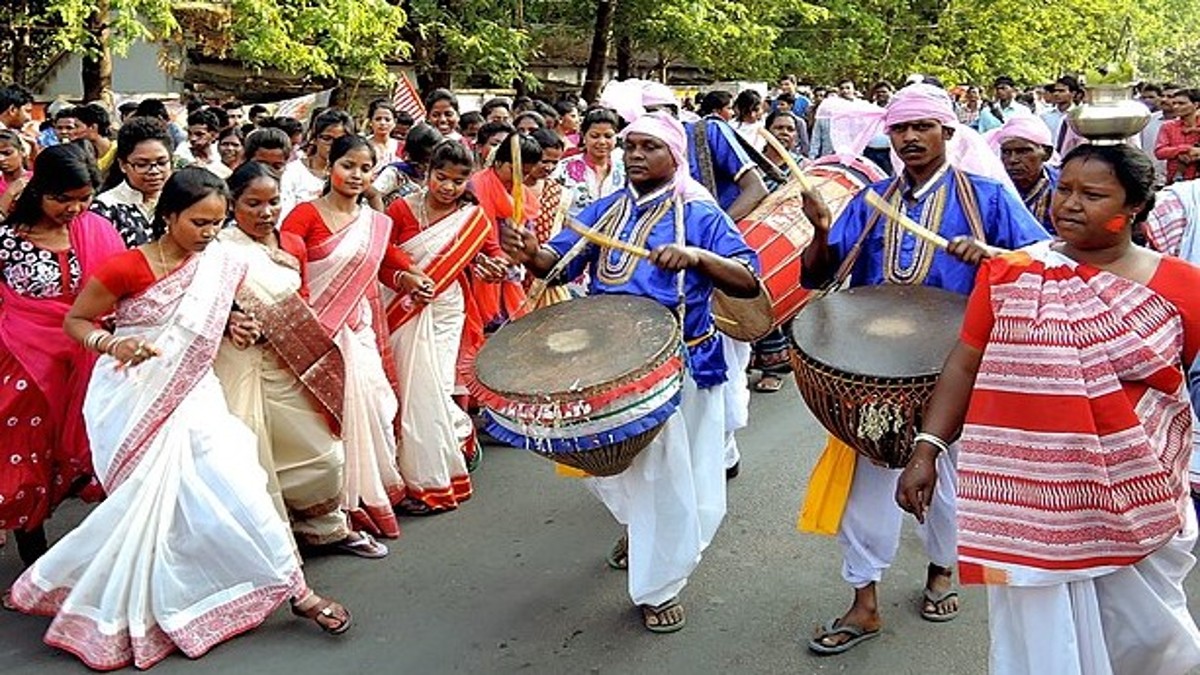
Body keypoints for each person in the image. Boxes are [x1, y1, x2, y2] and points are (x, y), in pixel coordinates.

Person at [9, 167, 350, 670]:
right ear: (168, 216)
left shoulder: (222, 262)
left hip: (196, 395)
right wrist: (114, 342)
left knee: (241, 484)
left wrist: (236, 323)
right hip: (134, 398)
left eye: (217, 223)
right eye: (199, 223)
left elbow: (220, 313)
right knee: (149, 502)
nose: (210, 234)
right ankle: (130, 585)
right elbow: (77, 321)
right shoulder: (127, 268)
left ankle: (296, 590)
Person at [897, 143, 1200, 675]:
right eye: (1065, 189)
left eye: (1093, 194)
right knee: (1043, 648)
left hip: (1138, 494)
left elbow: (1174, 384)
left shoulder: (1184, 286)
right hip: (1028, 504)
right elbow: (965, 365)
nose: (1070, 204)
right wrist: (928, 448)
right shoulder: (1013, 272)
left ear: (1133, 208)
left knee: (1151, 643)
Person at [800, 83, 1050, 655]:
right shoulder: (871, 201)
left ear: (948, 134)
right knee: (865, 489)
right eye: (900, 130)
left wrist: (993, 257)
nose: (910, 138)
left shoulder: (986, 197)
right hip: (874, 373)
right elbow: (820, 277)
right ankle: (864, 601)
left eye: (922, 128)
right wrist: (818, 230)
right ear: (888, 138)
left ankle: (941, 565)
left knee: (950, 484)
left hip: (957, 370)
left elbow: (1044, 265)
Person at [501, 111, 764, 633]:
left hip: (682, 364)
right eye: (630, 146)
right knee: (619, 476)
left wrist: (695, 257)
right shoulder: (611, 209)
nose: (635, 154)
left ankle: (660, 585)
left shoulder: (700, 212)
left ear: (675, 156)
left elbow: (747, 279)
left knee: (667, 477)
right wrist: (532, 253)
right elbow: (559, 261)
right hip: (611, 370)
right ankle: (642, 530)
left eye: (649, 147)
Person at [214, 162, 389, 558]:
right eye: (253, 203)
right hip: (240, 364)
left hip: (291, 362)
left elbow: (304, 299)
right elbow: (203, 303)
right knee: (250, 453)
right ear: (231, 204)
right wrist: (229, 321)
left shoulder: (290, 243)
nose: (265, 212)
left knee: (323, 453)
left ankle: (324, 527)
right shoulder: (221, 248)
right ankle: (266, 544)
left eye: (273, 202)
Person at [0, 144, 125, 590]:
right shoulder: (8, 239)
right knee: (25, 462)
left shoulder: (100, 231)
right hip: (23, 362)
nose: (74, 208)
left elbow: (123, 292)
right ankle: (35, 564)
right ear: (38, 190)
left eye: (84, 198)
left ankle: (109, 558)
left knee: (88, 460)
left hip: (91, 359)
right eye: (63, 199)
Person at [280, 135, 407, 536]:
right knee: (324, 416)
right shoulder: (304, 215)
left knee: (371, 404)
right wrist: (308, 317)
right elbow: (288, 264)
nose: (356, 175)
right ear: (329, 166)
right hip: (316, 329)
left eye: (365, 168)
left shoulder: (374, 223)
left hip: (358, 329)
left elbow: (388, 264)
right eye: (347, 166)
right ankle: (331, 503)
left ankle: (367, 497)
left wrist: (410, 277)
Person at [383, 141, 506, 513]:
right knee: (404, 388)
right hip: (403, 302)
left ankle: (430, 479)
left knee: (430, 384)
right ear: (427, 172)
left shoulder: (472, 218)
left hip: (446, 306)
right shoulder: (401, 208)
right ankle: (450, 439)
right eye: (441, 177)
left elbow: (493, 254)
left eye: (457, 180)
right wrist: (406, 274)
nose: (448, 187)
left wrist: (493, 266)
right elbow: (382, 254)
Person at [91, 117, 175, 248]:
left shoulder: (181, 201)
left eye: (162, 163)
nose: (154, 171)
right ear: (123, 165)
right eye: (142, 164)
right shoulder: (105, 209)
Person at [989, 114, 1058, 232]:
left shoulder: (1062, 185)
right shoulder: (993, 188)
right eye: (1006, 152)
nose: (1012, 160)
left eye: (1023, 151)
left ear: (1047, 153)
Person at [552, 107, 625, 219]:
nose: (602, 142)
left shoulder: (625, 169)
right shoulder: (563, 169)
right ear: (583, 136)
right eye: (595, 136)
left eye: (608, 136)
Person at [279, 109, 352, 220]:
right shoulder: (292, 173)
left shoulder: (353, 175)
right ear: (314, 139)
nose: (333, 146)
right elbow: (284, 217)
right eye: (327, 139)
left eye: (340, 140)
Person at [373, 122, 443, 207]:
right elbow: (372, 196)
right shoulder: (395, 173)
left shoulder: (435, 177)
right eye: (423, 161)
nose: (427, 167)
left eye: (433, 161)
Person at [1155, 88, 1200, 185]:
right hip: (1176, 181)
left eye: (1181, 103)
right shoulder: (1168, 126)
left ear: (1196, 105)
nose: (1176, 107)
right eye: (1174, 103)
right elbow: (1160, 152)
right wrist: (1186, 149)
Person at [177, 108, 230, 179]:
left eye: (199, 134)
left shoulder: (221, 153)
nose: (192, 138)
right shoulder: (182, 154)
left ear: (214, 135)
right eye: (189, 133)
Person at [0, 129, 31, 217]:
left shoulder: (38, 179)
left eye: (7, 153)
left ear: (22, 152)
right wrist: (10, 193)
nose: (1, 159)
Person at [364, 99, 399, 174]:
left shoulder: (401, 147)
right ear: (370, 122)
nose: (382, 123)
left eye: (387, 119)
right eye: (378, 119)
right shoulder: (363, 145)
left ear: (394, 122)